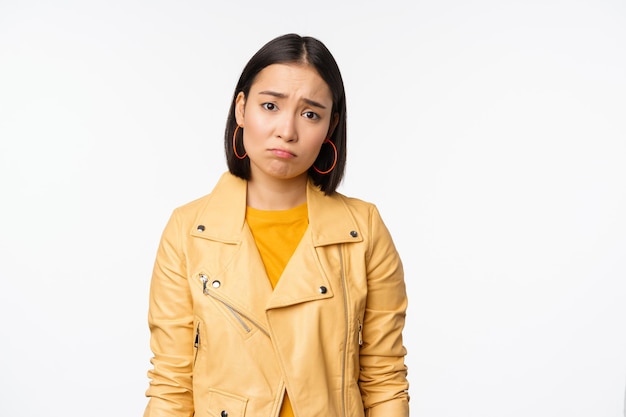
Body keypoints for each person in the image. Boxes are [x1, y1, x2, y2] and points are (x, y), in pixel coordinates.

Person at [143, 33, 409, 417]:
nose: (287, 130)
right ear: (241, 108)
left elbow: (384, 379)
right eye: (270, 105)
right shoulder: (188, 231)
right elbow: (171, 383)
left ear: (330, 126)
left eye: (310, 114)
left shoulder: (362, 230)